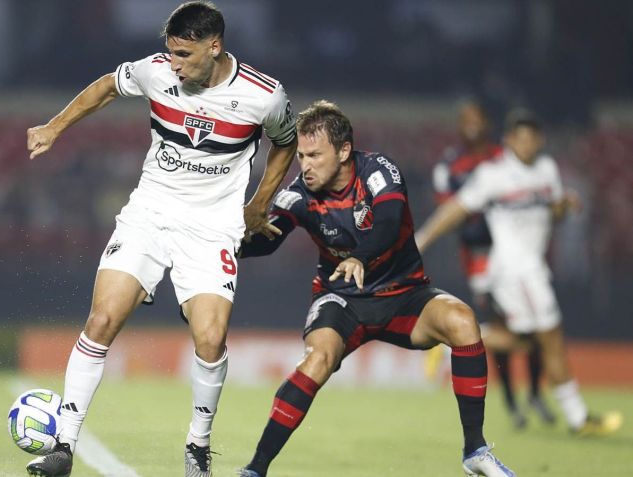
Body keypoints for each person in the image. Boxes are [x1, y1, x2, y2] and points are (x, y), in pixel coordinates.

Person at [24, 2, 298, 476]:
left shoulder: (264, 95)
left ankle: (197, 446)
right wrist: (54, 127)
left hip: (213, 226)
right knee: (103, 317)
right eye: (170, 53)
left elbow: (286, 142)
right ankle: (63, 447)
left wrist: (259, 202)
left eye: (184, 55)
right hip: (150, 213)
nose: (173, 64)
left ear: (215, 47)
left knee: (210, 339)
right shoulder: (155, 72)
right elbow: (107, 87)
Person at [237, 100, 515, 477]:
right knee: (316, 361)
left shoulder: (378, 172)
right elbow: (269, 239)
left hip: (404, 294)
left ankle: (474, 450)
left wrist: (360, 258)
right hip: (342, 299)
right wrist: (229, 245)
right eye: (301, 155)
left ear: (345, 150)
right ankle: (255, 469)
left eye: (315, 155)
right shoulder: (300, 193)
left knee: (463, 321)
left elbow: (388, 220)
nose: (305, 165)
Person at [416, 109, 622, 437]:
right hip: (514, 271)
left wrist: (564, 205)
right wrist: (423, 238)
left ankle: (446, 345)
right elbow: (457, 208)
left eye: (531, 138)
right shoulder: (493, 175)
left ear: (539, 141)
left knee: (527, 343)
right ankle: (578, 419)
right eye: (519, 138)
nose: (526, 145)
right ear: (509, 140)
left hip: (534, 267)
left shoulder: (546, 169)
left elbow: (551, 212)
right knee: (551, 339)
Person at [428, 100, 552, 428]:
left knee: (533, 325)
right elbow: (451, 212)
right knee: (506, 324)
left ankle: (536, 394)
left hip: (518, 251)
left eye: (476, 118)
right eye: (464, 119)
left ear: (486, 122)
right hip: (481, 257)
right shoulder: (449, 167)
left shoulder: (503, 157)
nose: (471, 124)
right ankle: (514, 402)